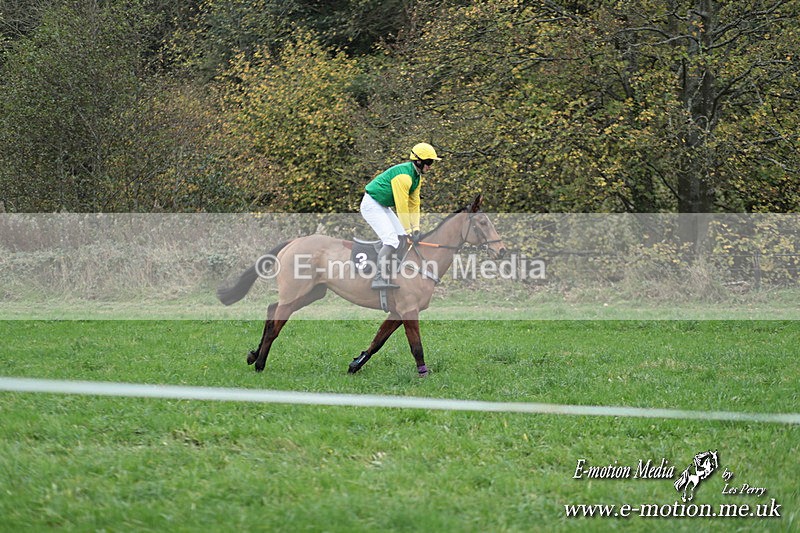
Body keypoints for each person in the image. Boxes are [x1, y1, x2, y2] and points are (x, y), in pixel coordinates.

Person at [360, 142, 440, 289]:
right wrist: (409, 231)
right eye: (428, 162)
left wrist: (415, 228)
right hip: (371, 204)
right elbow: (401, 206)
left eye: (432, 163)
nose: (430, 166)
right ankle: (378, 278)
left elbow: (414, 204)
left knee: (402, 237)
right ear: (418, 161)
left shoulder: (417, 177)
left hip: (382, 205)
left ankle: (392, 270)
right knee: (391, 239)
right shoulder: (404, 177)